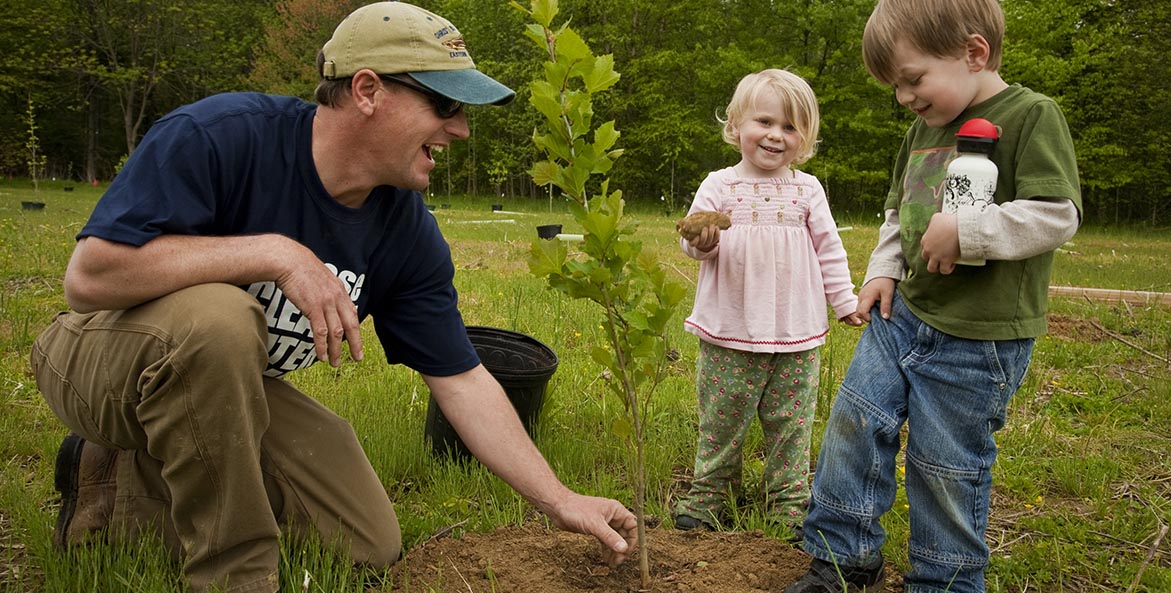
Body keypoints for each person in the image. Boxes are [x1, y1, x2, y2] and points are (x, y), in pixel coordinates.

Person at [29, 3, 636, 592]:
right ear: (367, 90)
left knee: (365, 540)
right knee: (219, 319)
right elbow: (90, 277)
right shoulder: (221, 137)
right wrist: (275, 253)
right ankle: (236, 576)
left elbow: (463, 380)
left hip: (223, 388)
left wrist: (560, 500)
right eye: (445, 104)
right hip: (100, 362)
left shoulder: (405, 231)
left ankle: (109, 479)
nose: (460, 128)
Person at [785, 1, 1081, 592]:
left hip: (978, 336)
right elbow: (901, 212)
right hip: (904, 316)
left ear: (974, 53)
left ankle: (943, 582)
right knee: (854, 422)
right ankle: (843, 558)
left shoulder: (1030, 116)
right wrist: (883, 269)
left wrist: (970, 230)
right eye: (896, 86)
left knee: (944, 465)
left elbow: (1057, 216)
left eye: (912, 79)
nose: (904, 97)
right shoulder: (923, 131)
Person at [672, 69, 863, 537]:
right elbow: (692, 243)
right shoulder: (720, 185)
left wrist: (844, 301)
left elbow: (829, 250)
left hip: (796, 333)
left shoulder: (808, 189)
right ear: (737, 125)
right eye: (765, 122)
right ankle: (712, 491)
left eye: (791, 127)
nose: (776, 135)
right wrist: (704, 241)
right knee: (722, 418)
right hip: (729, 328)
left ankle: (789, 499)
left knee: (790, 424)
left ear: (805, 138)